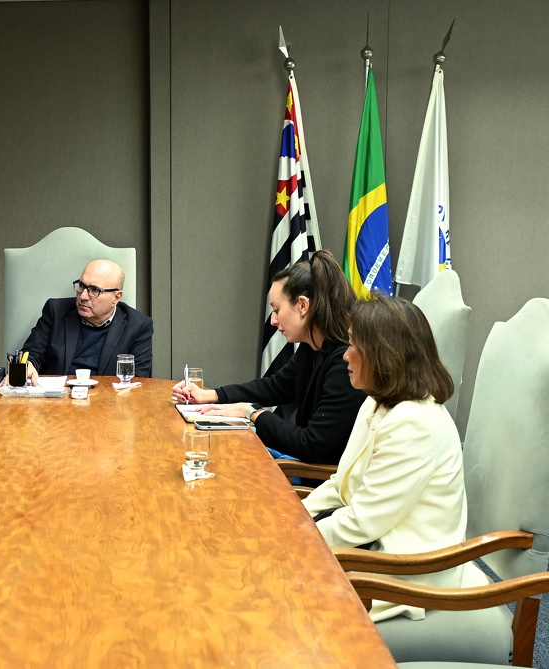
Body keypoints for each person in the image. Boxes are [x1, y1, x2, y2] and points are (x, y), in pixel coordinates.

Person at [302, 294, 477, 622]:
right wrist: (291, 517)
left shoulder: (415, 423)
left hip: (402, 574)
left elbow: (362, 522)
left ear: (383, 356)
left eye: (354, 345)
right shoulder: (375, 401)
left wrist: (291, 539)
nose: (345, 355)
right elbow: (341, 485)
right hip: (368, 549)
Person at [171, 250, 365, 464]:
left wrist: (252, 412)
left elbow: (311, 445)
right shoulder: (312, 347)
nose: (273, 321)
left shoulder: (345, 363)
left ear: (303, 305)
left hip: (316, 480)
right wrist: (212, 395)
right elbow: (276, 386)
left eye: (276, 310)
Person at [16, 259, 154, 385]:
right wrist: (28, 365)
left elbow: (138, 380)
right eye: (81, 286)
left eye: (95, 290)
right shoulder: (56, 311)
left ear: (116, 298)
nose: (83, 296)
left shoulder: (138, 326)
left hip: (106, 403)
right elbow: (33, 352)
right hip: (56, 401)